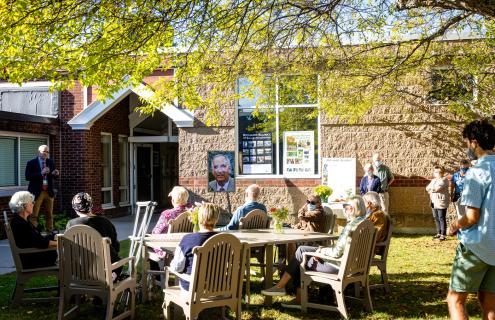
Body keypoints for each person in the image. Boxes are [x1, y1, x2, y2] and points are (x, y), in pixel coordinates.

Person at [261, 195, 366, 309]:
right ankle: (282, 287)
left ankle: (295, 296)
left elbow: (336, 253)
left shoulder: (350, 227)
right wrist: (321, 252)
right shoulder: (365, 225)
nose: (344, 208)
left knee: (301, 261)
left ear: (351, 208)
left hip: (338, 266)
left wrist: (322, 252)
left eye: (345, 206)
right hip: (354, 266)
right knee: (301, 250)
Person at [447, 119, 495, 320]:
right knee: (489, 303)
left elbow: (472, 217)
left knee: (455, 300)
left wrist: (454, 225)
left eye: (467, 141)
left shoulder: (477, 172)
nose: (467, 146)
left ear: (474, 142)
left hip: (476, 246)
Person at [66, 192, 122, 278]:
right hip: (105, 274)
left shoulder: (71, 225)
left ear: (75, 209)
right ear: (91, 206)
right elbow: (116, 247)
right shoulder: (105, 222)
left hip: (80, 274)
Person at [169, 202, 220, 291]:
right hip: (217, 287)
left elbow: (177, 267)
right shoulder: (223, 239)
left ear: (198, 218)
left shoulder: (188, 239)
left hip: (193, 288)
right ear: (216, 219)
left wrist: (170, 266)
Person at [8, 191, 57, 269]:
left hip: (32, 256)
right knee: (67, 252)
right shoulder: (20, 224)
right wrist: (59, 243)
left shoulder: (21, 220)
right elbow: (39, 242)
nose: (33, 204)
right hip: (33, 260)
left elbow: (36, 238)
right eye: (32, 202)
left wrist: (54, 238)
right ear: (24, 205)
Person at [25, 144, 59, 231]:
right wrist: (41, 173)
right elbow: (27, 177)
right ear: (39, 152)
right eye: (44, 151)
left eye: (47, 152)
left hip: (48, 191)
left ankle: (49, 232)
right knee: (34, 214)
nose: (46, 153)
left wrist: (55, 174)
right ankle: (33, 233)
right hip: (37, 192)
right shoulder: (31, 163)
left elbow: (53, 176)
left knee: (49, 214)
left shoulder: (50, 162)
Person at [426, 166, 450, 241]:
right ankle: (438, 233)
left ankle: (443, 234)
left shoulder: (444, 180)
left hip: (441, 202)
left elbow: (437, 188)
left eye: (437, 172)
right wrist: (430, 189)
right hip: (433, 201)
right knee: (436, 218)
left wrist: (431, 189)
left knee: (441, 218)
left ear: (441, 173)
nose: (435, 173)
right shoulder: (433, 180)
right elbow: (427, 188)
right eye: (435, 171)